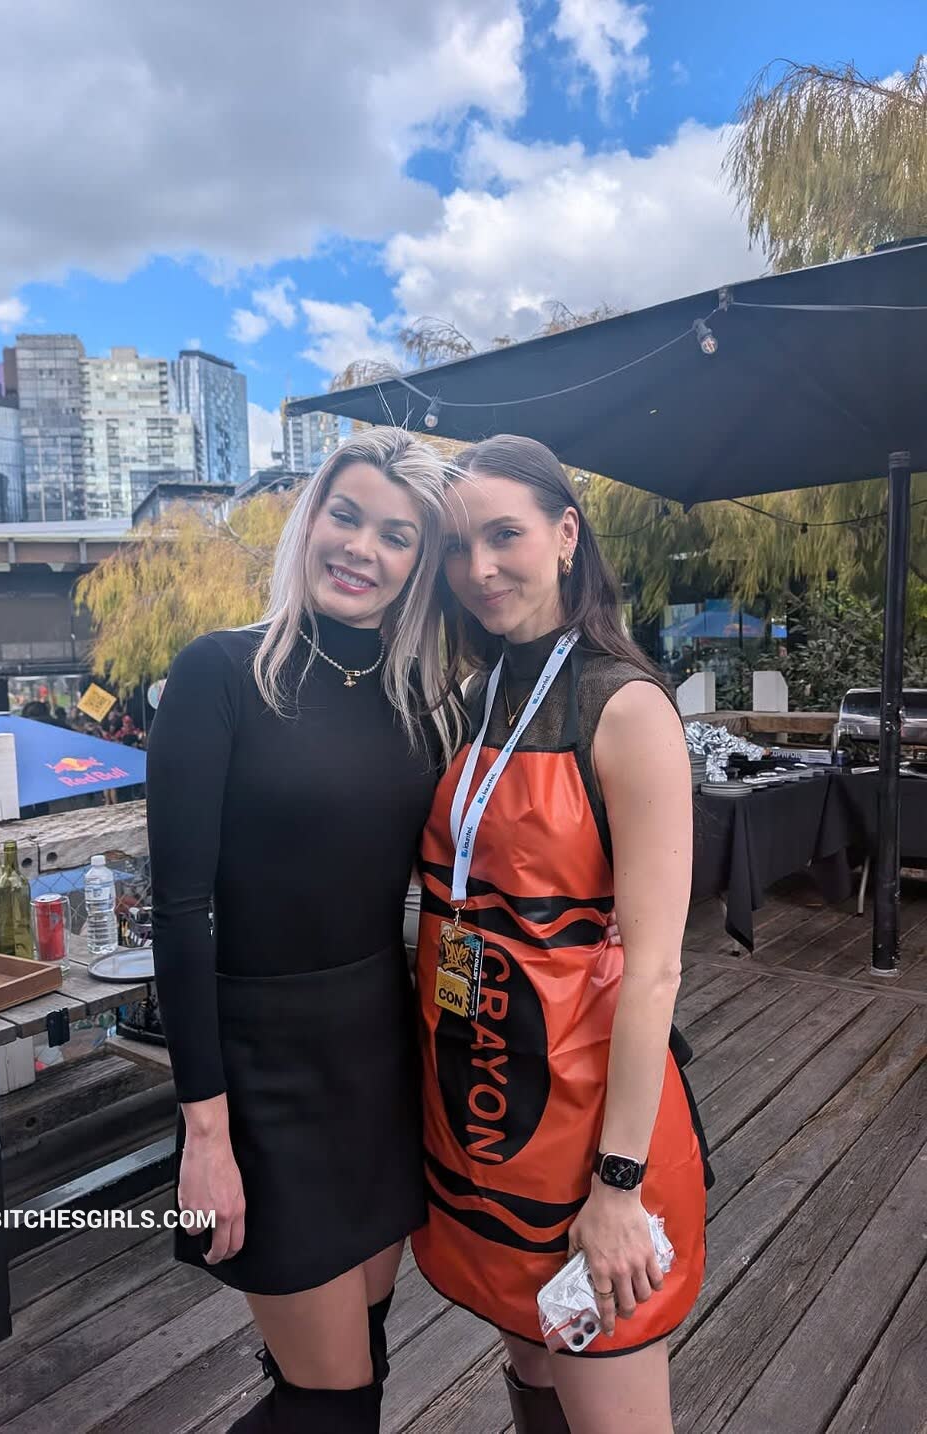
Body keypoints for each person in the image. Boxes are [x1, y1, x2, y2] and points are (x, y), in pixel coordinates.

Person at [146, 428, 465, 1432]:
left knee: (357, 1360)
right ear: (311, 518)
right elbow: (179, 915)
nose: (363, 548)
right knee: (335, 1401)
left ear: (421, 562)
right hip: (261, 1073)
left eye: (397, 535)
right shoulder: (221, 674)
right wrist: (206, 1134)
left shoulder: (423, 703)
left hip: (379, 1058)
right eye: (347, 516)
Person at [413, 436, 711, 1434]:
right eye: (457, 547)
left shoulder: (626, 707)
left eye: (505, 535)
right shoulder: (477, 692)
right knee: (532, 1364)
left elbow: (657, 969)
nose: (479, 568)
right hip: (487, 1110)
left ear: (567, 535)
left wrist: (619, 1187)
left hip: (592, 1135)